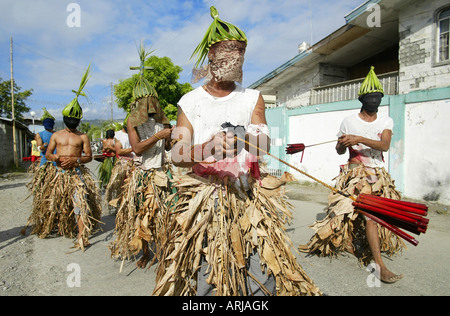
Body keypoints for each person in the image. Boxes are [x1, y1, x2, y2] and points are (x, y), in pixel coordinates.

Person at [152, 6, 321, 296]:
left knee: (261, 275)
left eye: (239, 57)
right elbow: (178, 155)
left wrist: (243, 138)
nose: (234, 62)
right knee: (209, 278)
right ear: (212, 58)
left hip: (248, 197)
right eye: (227, 57)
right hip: (205, 200)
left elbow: (264, 144)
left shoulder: (253, 98)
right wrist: (207, 147)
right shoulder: (190, 102)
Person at [299, 67, 405, 284]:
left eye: (378, 97)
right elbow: (340, 151)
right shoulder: (348, 121)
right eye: (370, 96)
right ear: (362, 99)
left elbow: (384, 145)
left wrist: (360, 138)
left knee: (371, 217)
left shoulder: (386, 121)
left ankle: (370, 257)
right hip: (353, 175)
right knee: (352, 215)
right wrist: (341, 143)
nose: (374, 100)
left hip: (376, 177)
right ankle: (373, 262)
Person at [109, 45, 173, 269]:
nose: (150, 107)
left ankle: (165, 251)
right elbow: (136, 148)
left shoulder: (161, 119)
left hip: (162, 174)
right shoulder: (132, 120)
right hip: (143, 175)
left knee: (165, 216)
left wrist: (169, 137)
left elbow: (167, 147)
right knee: (141, 216)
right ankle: (146, 252)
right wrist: (158, 136)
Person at [24, 66, 102, 250]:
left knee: (80, 203)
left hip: (76, 174)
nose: (73, 125)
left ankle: (82, 236)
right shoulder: (56, 136)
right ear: (66, 119)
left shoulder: (82, 137)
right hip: (58, 174)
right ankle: (59, 226)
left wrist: (75, 160)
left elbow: (89, 156)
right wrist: (57, 157)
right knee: (54, 202)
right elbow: (48, 153)